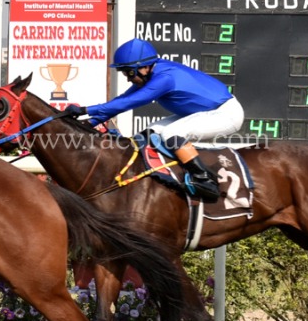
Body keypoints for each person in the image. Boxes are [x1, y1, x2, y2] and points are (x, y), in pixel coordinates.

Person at [76, 38, 242, 203]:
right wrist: (90, 123)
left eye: (129, 72)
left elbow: (130, 102)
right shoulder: (152, 73)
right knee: (151, 132)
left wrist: (85, 110)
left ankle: (204, 179)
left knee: (172, 133)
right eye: (125, 73)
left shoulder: (164, 78)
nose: (128, 78)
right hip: (205, 111)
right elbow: (122, 101)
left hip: (225, 114)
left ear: (145, 67)